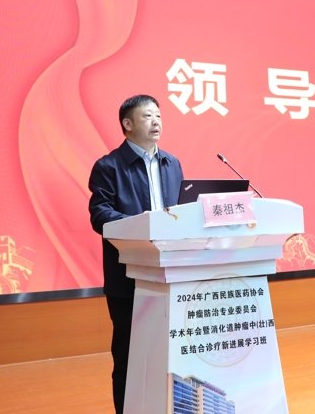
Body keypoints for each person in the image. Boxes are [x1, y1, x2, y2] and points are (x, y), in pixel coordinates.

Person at [88, 95, 184, 414]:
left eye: (158, 115)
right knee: (129, 358)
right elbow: (100, 215)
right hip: (128, 279)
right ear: (127, 124)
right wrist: (139, 224)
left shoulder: (172, 163)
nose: (156, 121)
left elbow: (180, 213)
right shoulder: (108, 166)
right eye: (147, 116)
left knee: (169, 355)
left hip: (171, 275)